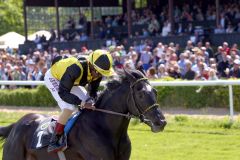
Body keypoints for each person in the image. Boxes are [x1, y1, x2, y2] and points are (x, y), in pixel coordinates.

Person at [44, 49, 115, 153]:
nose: (100, 76)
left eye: (102, 74)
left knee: (88, 101)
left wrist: (91, 101)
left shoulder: (96, 72)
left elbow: (93, 92)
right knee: (69, 107)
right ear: (92, 67)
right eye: (99, 73)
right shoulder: (76, 68)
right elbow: (63, 93)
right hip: (54, 77)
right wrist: (82, 103)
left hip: (69, 81)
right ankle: (54, 140)